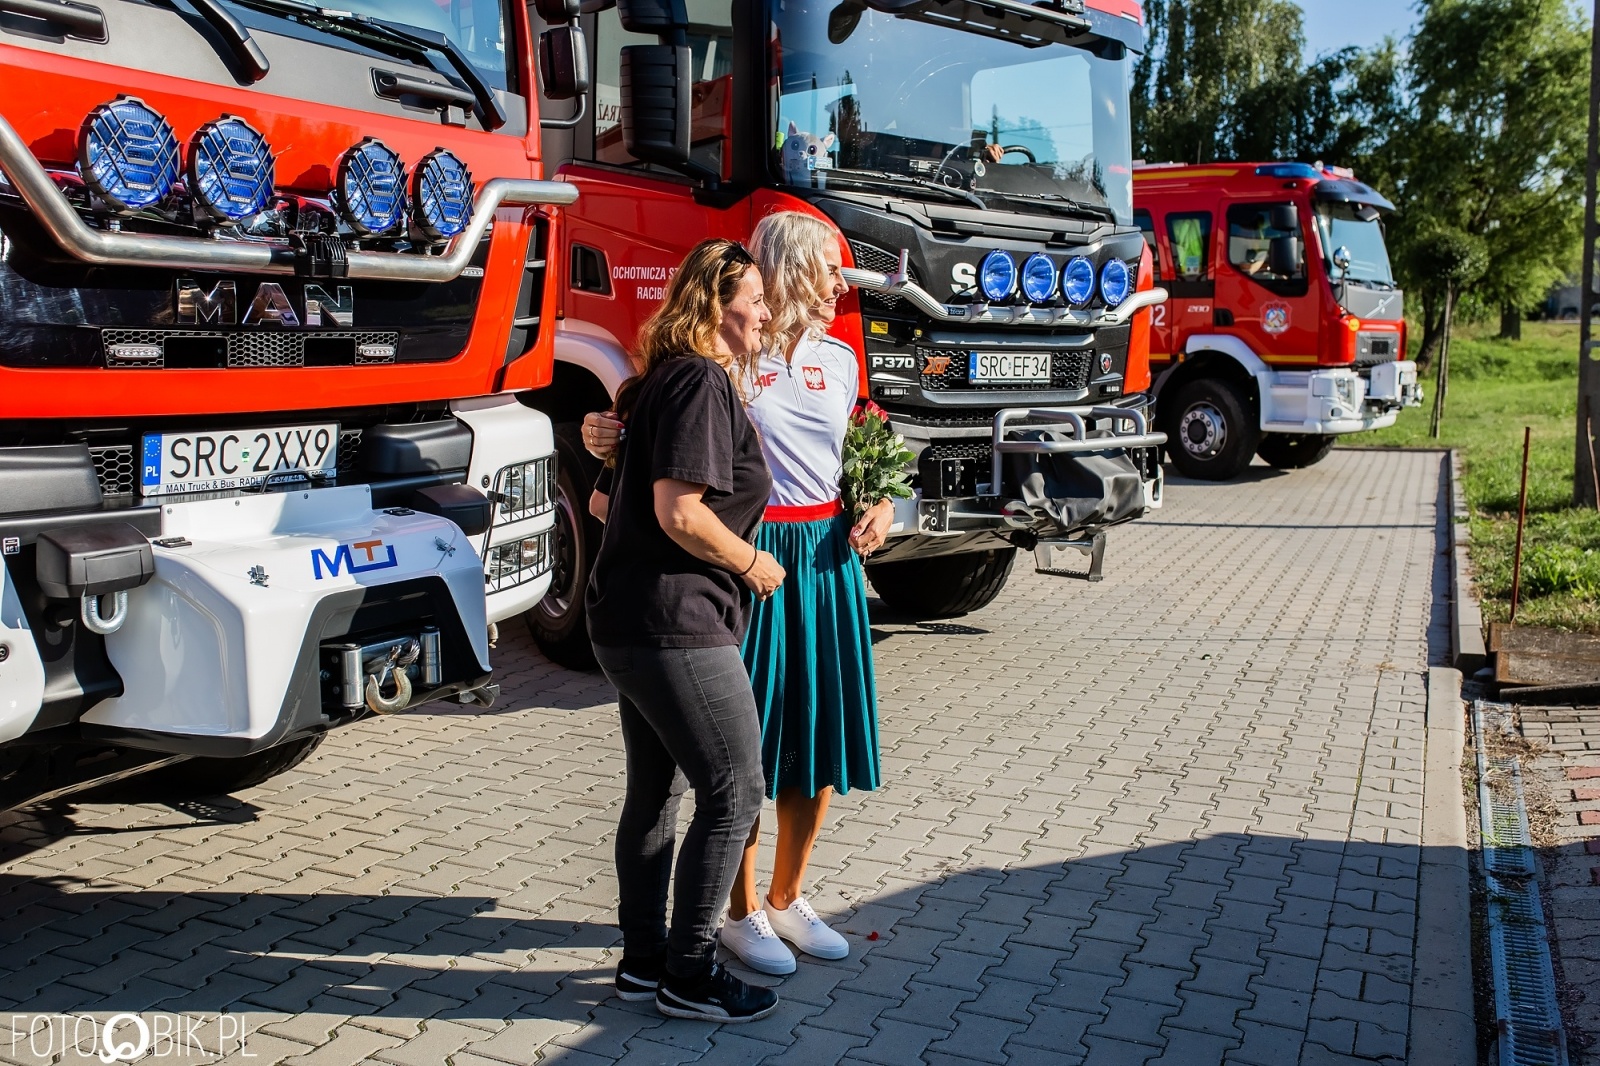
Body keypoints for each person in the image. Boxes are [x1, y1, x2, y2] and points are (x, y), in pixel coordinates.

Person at [585, 212, 894, 977]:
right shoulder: (724, 361)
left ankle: (788, 898)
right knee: (742, 753)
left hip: (822, 558)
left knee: (817, 737)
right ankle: (737, 912)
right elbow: (642, 464)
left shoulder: (844, 361)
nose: (839, 285)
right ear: (785, 272)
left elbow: (862, 462)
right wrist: (606, 435)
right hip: (743, 559)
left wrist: (885, 504)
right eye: (828, 268)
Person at [584, 238, 785, 1024]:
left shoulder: (656, 383)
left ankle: (643, 963)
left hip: (627, 620)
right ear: (714, 301)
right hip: (678, 622)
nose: (765, 312)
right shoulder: (698, 381)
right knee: (735, 789)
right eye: (756, 299)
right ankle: (689, 973)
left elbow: (604, 505)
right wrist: (751, 564)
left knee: (656, 792)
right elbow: (678, 510)